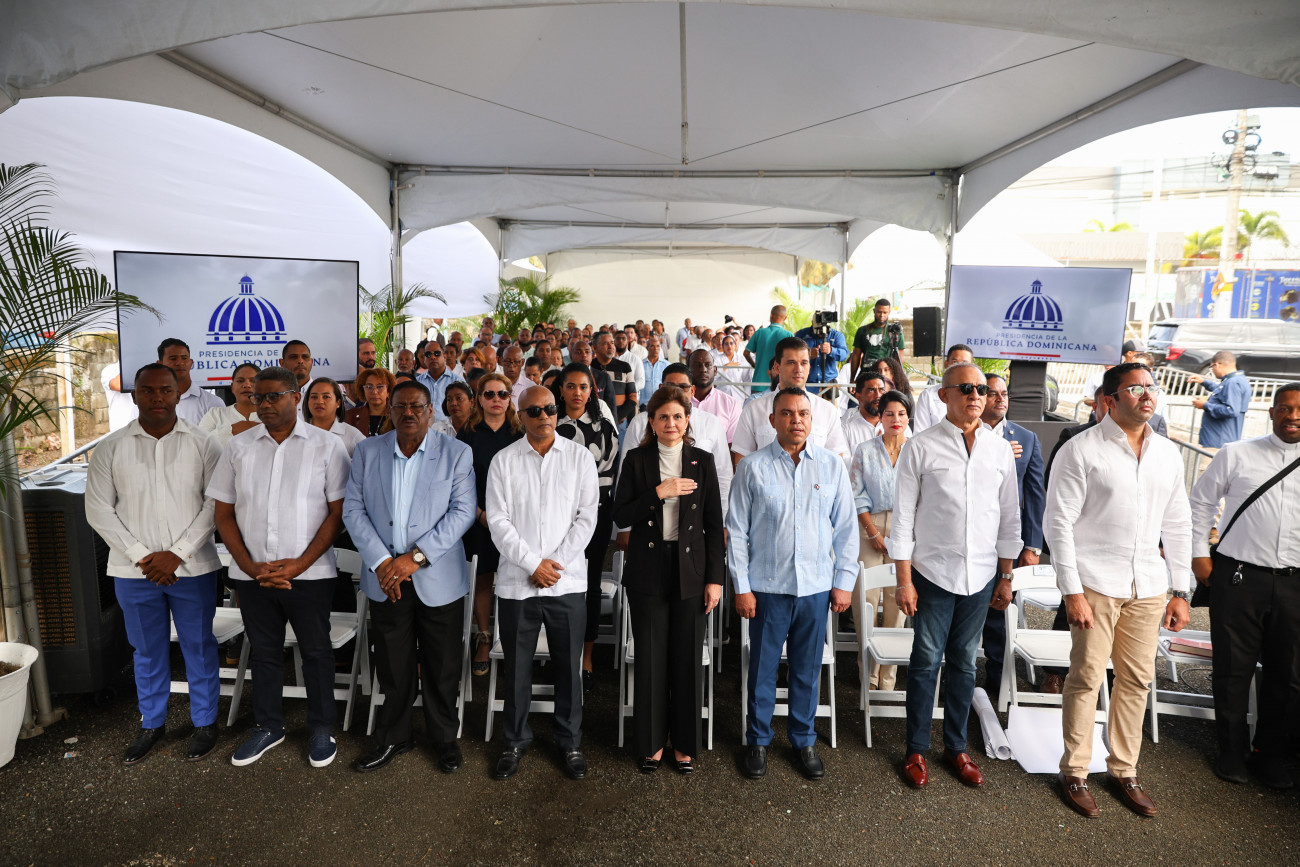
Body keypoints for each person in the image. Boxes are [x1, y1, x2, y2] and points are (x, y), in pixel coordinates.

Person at [1044, 362, 1192, 819]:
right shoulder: (1081, 449)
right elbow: (1058, 523)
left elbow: (1178, 523)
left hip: (1148, 584)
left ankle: (1124, 771)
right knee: (1087, 676)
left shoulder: (1167, 453)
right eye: (1135, 388)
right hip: (1095, 582)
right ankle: (1075, 771)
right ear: (1109, 400)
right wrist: (1072, 591)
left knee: (1137, 679)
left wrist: (1181, 589)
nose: (1147, 395)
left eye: (1151, 387)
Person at [208, 366, 351, 768]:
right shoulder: (238, 446)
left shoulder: (327, 446)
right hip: (253, 575)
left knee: (316, 652)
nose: (264, 405)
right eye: (258, 397)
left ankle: (321, 727)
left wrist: (299, 565)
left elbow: (338, 514)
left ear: (295, 397)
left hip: (310, 574)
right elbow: (223, 514)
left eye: (274, 396)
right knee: (264, 653)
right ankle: (268, 726)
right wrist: (250, 567)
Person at [890, 362, 1021, 790]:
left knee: (965, 663)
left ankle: (956, 747)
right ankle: (915, 749)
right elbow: (902, 518)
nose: (976, 396)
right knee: (926, 661)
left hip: (981, 575)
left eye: (982, 389)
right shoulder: (920, 447)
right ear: (944, 395)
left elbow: (1010, 517)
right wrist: (904, 579)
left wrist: (1006, 575)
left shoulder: (999, 450)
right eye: (966, 388)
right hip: (932, 572)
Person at [85, 363, 223, 764]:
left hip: (192, 568)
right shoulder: (111, 447)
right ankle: (152, 722)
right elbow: (98, 510)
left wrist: (177, 553)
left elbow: (216, 505)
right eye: (148, 390)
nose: (157, 397)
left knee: (199, 645)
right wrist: (142, 557)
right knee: (146, 649)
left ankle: (205, 722)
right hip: (134, 572)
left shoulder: (204, 444)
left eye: (165, 390)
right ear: (134, 394)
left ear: (179, 393)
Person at [344, 379, 476, 774]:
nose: (408, 413)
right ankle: (394, 736)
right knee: (392, 663)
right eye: (400, 406)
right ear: (390, 411)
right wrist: (384, 562)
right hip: (386, 578)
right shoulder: (368, 451)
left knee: (442, 664)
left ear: (430, 410)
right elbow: (353, 510)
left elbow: (462, 512)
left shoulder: (456, 452)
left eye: (417, 406)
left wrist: (414, 559)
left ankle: (444, 738)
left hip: (437, 578)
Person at [728, 388, 858, 780]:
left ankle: (803, 740)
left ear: (812, 420)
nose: (796, 420)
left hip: (815, 588)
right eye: (786, 413)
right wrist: (741, 587)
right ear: (773, 421)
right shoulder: (752, 467)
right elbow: (736, 532)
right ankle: (758, 740)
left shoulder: (831, 466)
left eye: (803, 413)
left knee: (806, 669)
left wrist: (844, 582)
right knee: (763, 669)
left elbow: (846, 528)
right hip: (767, 588)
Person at [1188, 382, 1300, 789]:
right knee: (1233, 669)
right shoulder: (1236, 453)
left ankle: (1269, 754)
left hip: (1295, 583)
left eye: (1299, 410)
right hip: (1239, 578)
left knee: (1288, 675)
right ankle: (1231, 751)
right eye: (1284, 408)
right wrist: (1199, 554)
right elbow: (1201, 503)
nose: (1293, 416)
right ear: (1271, 412)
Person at [486, 385, 598, 780]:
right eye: (534, 411)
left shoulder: (580, 458)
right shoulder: (503, 461)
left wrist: (554, 565)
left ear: (557, 411)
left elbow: (587, 518)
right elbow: (498, 521)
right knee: (517, 668)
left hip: (566, 583)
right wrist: (534, 564)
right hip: (518, 582)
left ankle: (569, 741)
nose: (544, 416)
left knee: (569, 667)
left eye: (549, 408)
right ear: (520, 417)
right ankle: (515, 741)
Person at [613, 386, 724, 774]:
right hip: (648, 568)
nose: (671, 423)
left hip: (691, 569)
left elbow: (714, 525)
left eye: (678, 416)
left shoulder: (702, 461)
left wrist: (715, 579)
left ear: (687, 420)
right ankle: (651, 743)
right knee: (650, 657)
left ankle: (685, 744)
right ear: (652, 421)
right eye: (663, 417)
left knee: (687, 658)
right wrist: (658, 492)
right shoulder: (636, 459)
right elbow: (620, 515)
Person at [553, 362, 620, 693]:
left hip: (596, 512)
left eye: (584, 387)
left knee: (590, 584)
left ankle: (587, 657)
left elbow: (610, 473)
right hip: (555, 514)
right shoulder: (550, 422)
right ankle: (559, 655)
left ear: (592, 390)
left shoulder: (604, 425)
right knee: (558, 582)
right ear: (561, 389)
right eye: (571, 386)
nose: (577, 393)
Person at [977, 373, 1046, 696]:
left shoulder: (1026, 438)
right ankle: (959, 679)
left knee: (1001, 610)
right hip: (969, 537)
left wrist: (1032, 545)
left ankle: (998, 679)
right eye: (993, 393)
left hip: (1008, 540)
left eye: (1004, 393)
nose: (1000, 399)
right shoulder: (963, 433)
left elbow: (1035, 494)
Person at [458, 373, 525, 676]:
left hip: (516, 521)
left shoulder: (521, 432)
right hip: (479, 519)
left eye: (502, 394)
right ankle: (484, 638)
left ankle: (515, 641)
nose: (496, 399)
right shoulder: (467, 434)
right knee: (483, 579)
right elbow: (459, 482)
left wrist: (507, 519)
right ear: (479, 399)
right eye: (489, 394)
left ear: (510, 398)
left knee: (517, 578)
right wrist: (481, 515)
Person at [848, 389, 911, 691]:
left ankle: (888, 678)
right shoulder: (865, 450)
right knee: (866, 602)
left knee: (897, 602)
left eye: (901, 414)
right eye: (889, 413)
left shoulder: (916, 450)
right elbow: (856, 493)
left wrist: (902, 535)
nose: (895, 419)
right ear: (880, 417)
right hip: (868, 526)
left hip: (905, 529)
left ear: (908, 417)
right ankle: (867, 676)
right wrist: (872, 531)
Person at [732, 337, 850, 465]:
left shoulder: (827, 410)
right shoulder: (754, 409)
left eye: (804, 363)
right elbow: (742, 462)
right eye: (791, 363)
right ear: (777, 367)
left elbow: (836, 462)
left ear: (809, 367)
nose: (798, 369)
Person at [1189, 350, 1251, 449]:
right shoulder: (1236, 380)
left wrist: (1205, 405)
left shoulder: (1233, 383)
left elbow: (1231, 410)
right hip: (1220, 441)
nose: (1212, 371)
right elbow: (1222, 392)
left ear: (1217, 365)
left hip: (1219, 442)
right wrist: (1204, 382)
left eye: (1211, 367)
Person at [157, 338, 223, 425]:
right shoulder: (150, 403)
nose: (180, 363)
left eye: (184, 358)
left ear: (191, 363)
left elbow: (223, 433)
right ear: (160, 364)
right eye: (173, 359)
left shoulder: (212, 402)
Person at [911, 344, 973, 431]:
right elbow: (920, 433)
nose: (959, 367)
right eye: (955, 362)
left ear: (972, 367)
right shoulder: (928, 395)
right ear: (946, 364)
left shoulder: (978, 395)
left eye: (965, 363)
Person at [687, 348, 744, 445]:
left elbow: (734, 445)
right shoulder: (677, 402)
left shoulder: (731, 405)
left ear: (715, 370)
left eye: (708, 365)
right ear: (687, 370)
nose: (703, 370)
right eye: (697, 365)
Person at [198, 362, 260, 447]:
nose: (246, 385)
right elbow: (198, 444)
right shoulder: (215, 414)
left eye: (253, 381)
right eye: (240, 381)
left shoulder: (272, 416)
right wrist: (230, 430)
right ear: (232, 387)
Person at [304, 376, 366, 457]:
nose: (319, 401)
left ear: (338, 403)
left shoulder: (353, 436)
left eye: (326, 397)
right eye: (314, 397)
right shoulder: (299, 432)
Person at [850, 299, 904, 380]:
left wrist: (898, 380)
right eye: (879, 312)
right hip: (866, 375)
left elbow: (899, 357)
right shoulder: (863, 330)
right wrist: (852, 378)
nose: (882, 315)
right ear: (874, 311)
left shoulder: (895, 332)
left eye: (885, 312)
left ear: (889, 312)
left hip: (886, 377)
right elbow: (856, 355)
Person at [842, 371, 893, 456]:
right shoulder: (846, 428)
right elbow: (843, 462)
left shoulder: (897, 424)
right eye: (871, 390)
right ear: (858, 397)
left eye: (881, 390)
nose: (878, 395)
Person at [743, 306, 793, 393]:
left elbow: (746, 353)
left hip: (759, 383)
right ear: (785, 318)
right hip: (780, 384)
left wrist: (754, 364)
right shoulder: (788, 335)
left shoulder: (759, 332)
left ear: (771, 315)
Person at [793, 318, 849, 395]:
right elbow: (793, 356)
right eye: (819, 330)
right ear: (812, 324)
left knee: (831, 403)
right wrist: (807, 355)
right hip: (808, 384)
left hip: (830, 383)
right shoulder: (802, 335)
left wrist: (831, 350)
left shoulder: (836, 335)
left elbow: (844, 355)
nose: (821, 333)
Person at [592, 332, 637, 425]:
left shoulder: (624, 367)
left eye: (612, 343)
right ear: (595, 348)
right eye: (605, 343)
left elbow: (633, 397)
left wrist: (614, 418)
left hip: (620, 422)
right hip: (595, 421)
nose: (610, 347)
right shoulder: (590, 367)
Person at [416, 339, 465, 417]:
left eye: (437, 353)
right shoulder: (417, 383)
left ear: (444, 357)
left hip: (449, 424)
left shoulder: (458, 382)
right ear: (424, 359)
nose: (433, 357)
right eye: (428, 354)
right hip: (424, 424)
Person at [346, 367, 397, 438]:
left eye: (380, 387)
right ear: (363, 390)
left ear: (388, 391)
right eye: (369, 387)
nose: (374, 392)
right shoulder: (350, 416)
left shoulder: (398, 415)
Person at [100, 360, 139, 432]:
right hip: (121, 429)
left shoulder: (149, 369)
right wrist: (132, 364)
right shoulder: (111, 369)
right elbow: (118, 385)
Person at [640, 336, 668, 407]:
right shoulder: (641, 364)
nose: (655, 348)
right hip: (644, 403)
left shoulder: (666, 365)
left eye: (658, 346)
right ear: (647, 348)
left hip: (662, 403)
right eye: (652, 346)